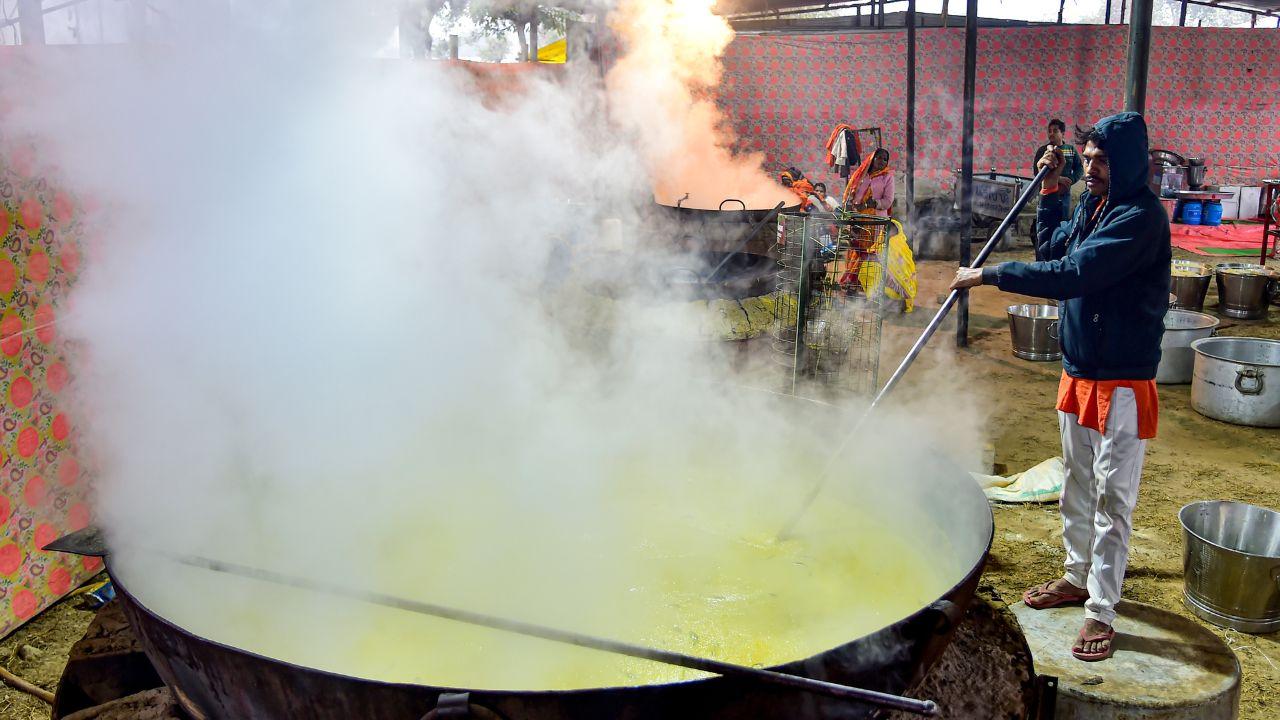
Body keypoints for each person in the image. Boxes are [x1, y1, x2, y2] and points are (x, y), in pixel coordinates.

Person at [950, 112, 1171, 662]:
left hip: (1120, 378)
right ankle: (1076, 577)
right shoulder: (1093, 206)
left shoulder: (1140, 219)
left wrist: (993, 273)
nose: (1090, 168)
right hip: (1079, 371)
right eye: (1087, 158)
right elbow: (1052, 250)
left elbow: (1075, 274)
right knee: (1076, 483)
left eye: (1100, 160)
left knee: (1112, 498)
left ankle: (1101, 610)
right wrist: (1052, 192)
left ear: (1125, 163)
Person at [1032, 119, 1084, 249]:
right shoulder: (1043, 151)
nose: (1051, 134)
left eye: (1055, 131)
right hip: (1048, 193)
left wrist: (1071, 179)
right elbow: (1036, 172)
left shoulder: (1070, 150)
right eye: (1049, 131)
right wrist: (1058, 179)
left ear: (1063, 133)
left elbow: (1079, 168)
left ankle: (1061, 247)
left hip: (1065, 193)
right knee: (1046, 220)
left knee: (1063, 221)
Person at [843, 148, 894, 217]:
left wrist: (871, 204)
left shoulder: (888, 178)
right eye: (879, 158)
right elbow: (849, 193)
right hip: (856, 218)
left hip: (876, 220)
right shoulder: (860, 175)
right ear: (872, 159)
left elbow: (888, 201)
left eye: (885, 159)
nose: (882, 161)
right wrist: (849, 205)